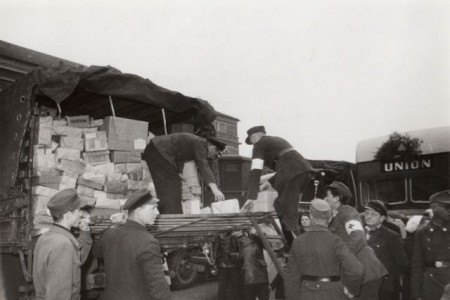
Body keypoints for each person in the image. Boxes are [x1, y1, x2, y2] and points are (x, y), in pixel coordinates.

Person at [242, 126, 314, 247]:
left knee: (288, 212)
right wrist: (266, 184)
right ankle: (289, 244)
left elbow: (255, 170)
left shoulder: (259, 143)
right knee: (280, 205)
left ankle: (299, 248)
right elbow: (283, 167)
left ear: (253, 137)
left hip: (293, 175)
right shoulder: (276, 141)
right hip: (304, 171)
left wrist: (251, 197)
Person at [92, 191, 172, 300]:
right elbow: (157, 285)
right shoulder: (147, 241)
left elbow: (96, 252)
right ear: (138, 211)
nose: (157, 212)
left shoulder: (109, 233)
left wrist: (115, 224)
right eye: (153, 208)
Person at [284, 199, 364, 300]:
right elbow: (356, 270)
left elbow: (291, 277)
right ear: (330, 219)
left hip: (306, 293)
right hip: (334, 293)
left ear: (311, 217)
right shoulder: (336, 241)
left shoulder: (298, 242)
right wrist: (351, 291)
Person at [325, 181, 387, 300]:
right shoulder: (335, 216)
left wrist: (339, 256)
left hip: (366, 274)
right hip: (356, 274)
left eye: (327, 196)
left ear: (337, 198)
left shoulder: (348, 212)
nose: (325, 199)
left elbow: (357, 237)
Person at [143, 133, 226, 214]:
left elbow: (180, 158)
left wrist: (179, 173)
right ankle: (172, 217)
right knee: (170, 185)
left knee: (167, 185)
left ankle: (168, 213)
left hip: (155, 150)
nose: (213, 157)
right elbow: (203, 165)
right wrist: (215, 189)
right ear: (213, 148)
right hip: (159, 150)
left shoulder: (194, 143)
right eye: (216, 154)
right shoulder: (201, 144)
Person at [33, 188, 92, 300]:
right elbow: (58, 295)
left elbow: (76, 259)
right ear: (68, 214)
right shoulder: (63, 244)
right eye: (78, 210)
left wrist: (85, 233)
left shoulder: (46, 237)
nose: (80, 215)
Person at [364, 200, 408, 300]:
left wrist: (389, 281)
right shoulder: (359, 234)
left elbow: (402, 263)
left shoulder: (391, 236)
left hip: (385, 289)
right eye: (367, 213)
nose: (368, 216)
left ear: (382, 218)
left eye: (373, 214)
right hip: (365, 287)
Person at [411, 190, 450, 300]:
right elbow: (417, 265)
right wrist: (416, 294)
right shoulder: (423, 232)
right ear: (434, 207)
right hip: (431, 285)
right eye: (446, 207)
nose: (449, 210)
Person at [236, 226, 270, 300]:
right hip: (247, 276)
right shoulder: (236, 239)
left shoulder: (255, 236)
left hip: (259, 275)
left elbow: (268, 247)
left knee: (263, 296)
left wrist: (262, 236)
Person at [215, 230, 241, 300]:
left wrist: (216, 263)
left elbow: (216, 252)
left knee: (223, 286)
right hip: (232, 265)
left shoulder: (219, 237)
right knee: (234, 286)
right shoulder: (235, 237)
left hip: (223, 265)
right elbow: (240, 251)